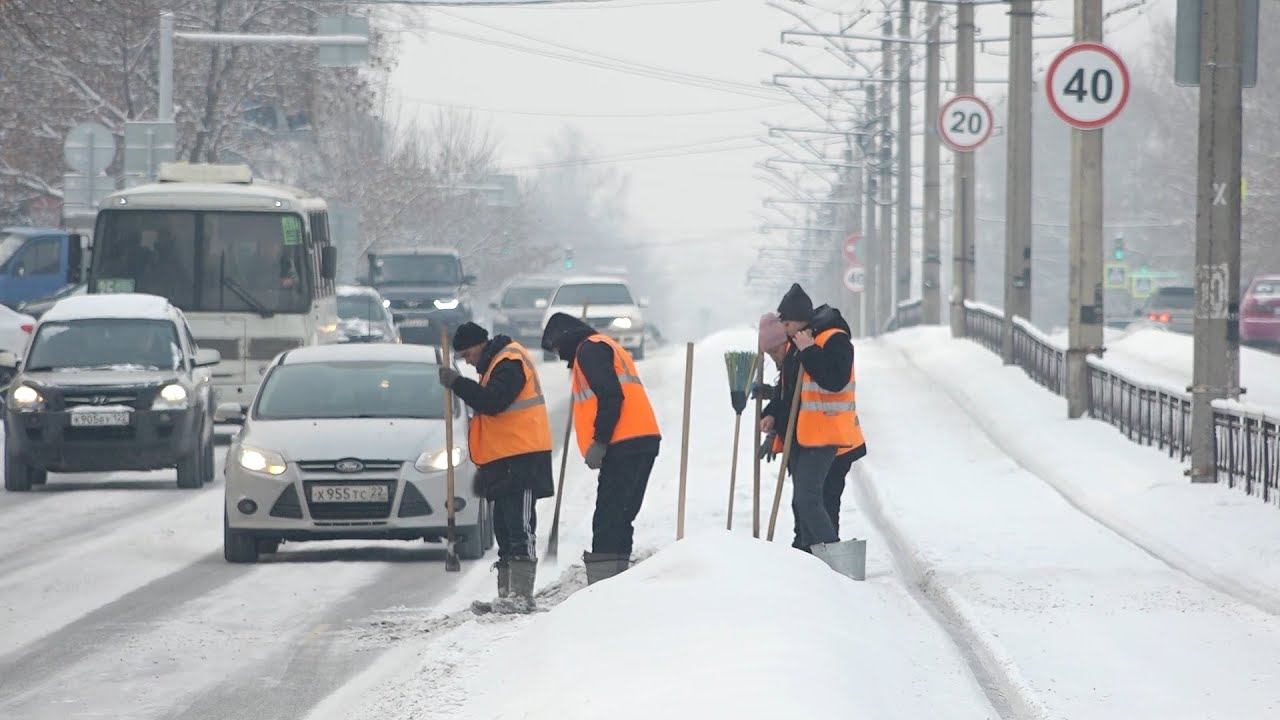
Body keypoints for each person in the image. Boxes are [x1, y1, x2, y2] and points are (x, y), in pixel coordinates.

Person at [438, 322, 554, 613]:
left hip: (522, 457)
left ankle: (522, 595)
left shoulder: (509, 362)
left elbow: (493, 402)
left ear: (479, 345)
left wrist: (457, 383)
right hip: (502, 459)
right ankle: (506, 594)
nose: (467, 360)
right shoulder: (493, 366)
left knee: (519, 526)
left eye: (467, 354)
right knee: (503, 526)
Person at [541, 312, 661, 585]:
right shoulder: (602, 346)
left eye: (557, 349)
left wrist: (600, 441)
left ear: (565, 339)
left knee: (609, 517)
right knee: (621, 516)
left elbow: (610, 395)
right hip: (642, 439)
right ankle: (617, 583)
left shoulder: (589, 350)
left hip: (623, 443)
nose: (559, 357)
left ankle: (604, 586)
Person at [760, 284, 866, 555]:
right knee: (805, 501)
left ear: (794, 321)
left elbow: (835, 380)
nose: (785, 330)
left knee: (818, 499)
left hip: (835, 437)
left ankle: (834, 560)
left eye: (786, 323)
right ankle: (807, 554)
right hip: (808, 436)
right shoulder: (801, 344)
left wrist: (808, 352)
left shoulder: (830, 339)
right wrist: (772, 416)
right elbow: (790, 393)